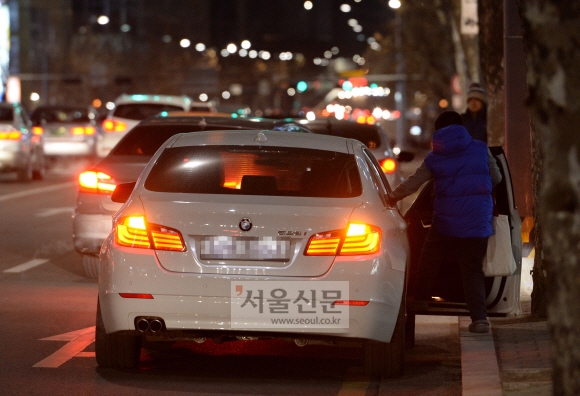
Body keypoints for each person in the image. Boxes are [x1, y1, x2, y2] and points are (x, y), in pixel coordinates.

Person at [387, 111, 502, 333]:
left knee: (428, 257)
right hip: (478, 220)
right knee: (472, 269)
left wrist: (391, 198)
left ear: (438, 131)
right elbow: (496, 178)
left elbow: (413, 183)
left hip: (445, 222)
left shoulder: (435, 157)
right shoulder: (480, 149)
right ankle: (479, 319)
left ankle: (420, 300)